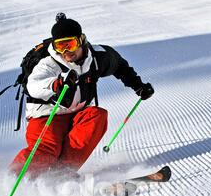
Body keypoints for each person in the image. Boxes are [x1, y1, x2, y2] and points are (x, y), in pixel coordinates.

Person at [10, 13, 154, 177]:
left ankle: (62, 173)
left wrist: (138, 85)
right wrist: (56, 83)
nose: (66, 52)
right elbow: (34, 85)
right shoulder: (49, 63)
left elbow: (120, 66)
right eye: (60, 46)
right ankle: (13, 179)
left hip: (76, 114)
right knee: (48, 149)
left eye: (70, 44)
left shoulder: (98, 58)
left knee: (97, 116)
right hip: (47, 115)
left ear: (81, 40)